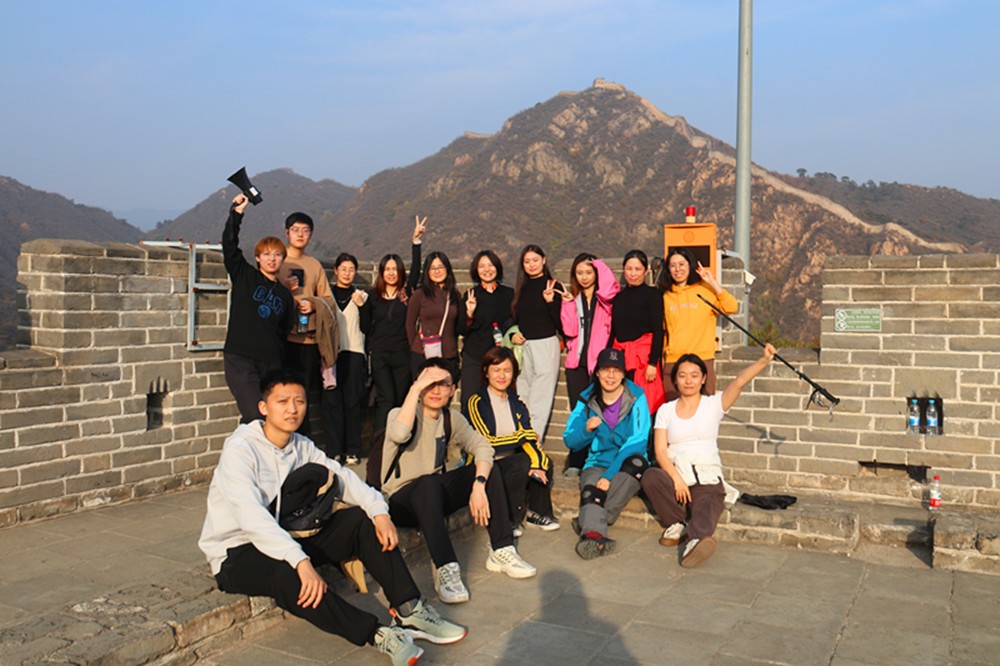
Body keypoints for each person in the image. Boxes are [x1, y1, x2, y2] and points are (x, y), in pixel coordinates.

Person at [198, 368, 466, 665]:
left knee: (360, 522)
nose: (292, 409)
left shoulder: (300, 445)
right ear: (263, 407)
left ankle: (409, 610)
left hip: (286, 535)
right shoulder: (241, 450)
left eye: (299, 401)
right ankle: (378, 634)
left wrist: (379, 512)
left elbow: (343, 478)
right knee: (287, 576)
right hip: (237, 551)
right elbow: (250, 517)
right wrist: (300, 561)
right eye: (282, 402)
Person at [379, 358, 536, 604]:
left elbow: (482, 447)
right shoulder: (399, 414)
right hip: (400, 501)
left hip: (433, 495)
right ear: (419, 386)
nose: (436, 390)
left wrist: (479, 485)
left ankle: (501, 549)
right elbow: (400, 433)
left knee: (489, 468)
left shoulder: (451, 418)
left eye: (443, 384)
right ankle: (446, 568)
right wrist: (415, 389)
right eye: (429, 383)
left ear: (452, 390)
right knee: (427, 484)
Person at [641, 344, 776, 567]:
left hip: (706, 475)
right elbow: (660, 451)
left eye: (694, 375)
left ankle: (696, 540)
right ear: (675, 380)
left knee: (707, 504)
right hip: (677, 472)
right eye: (682, 376)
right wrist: (677, 479)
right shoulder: (666, 410)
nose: (688, 381)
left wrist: (763, 360)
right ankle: (677, 524)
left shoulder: (713, 404)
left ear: (703, 379)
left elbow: (739, 381)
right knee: (651, 477)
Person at [563, 348, 651, 560]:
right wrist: (586, 430)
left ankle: (589, 516)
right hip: (596, 463)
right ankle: (593, 536)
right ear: (597, 372)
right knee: (590, 490)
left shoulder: (637, 398)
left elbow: (637, 442)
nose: (611, 376)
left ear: (623, 374)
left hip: (626, 466)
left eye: (616, 370)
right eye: (605, 370)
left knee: (638, 464)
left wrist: (609, 475)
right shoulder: (586, 400)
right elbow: (570, 440)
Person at [463, 346, 560, 535]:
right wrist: (522, 437)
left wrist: (538, 463)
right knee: (521, 462)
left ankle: (535, 513)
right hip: (484, 464)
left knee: (543, 461)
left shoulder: (518, 404)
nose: (502, 375)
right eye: (496, 370)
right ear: (486, 372)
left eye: (507, 370)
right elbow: (486, 442)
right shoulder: (476, 402)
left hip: (511, 460)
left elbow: (529, 439)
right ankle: (508, 519)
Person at [222, 193, 295, 423]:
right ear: (257, 258)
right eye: (266, 254)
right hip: (241, 357)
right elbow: (229, 246)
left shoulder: (285, 295)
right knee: (254, 415)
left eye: (277, 255)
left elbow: (284, 331)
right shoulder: (245, 275)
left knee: (271, 418)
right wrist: (236, 213)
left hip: (271, 363)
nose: (272, 259)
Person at [277, 211, 337, 453]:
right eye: (295, 230)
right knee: (284, 396)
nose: (300, 235)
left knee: (304, 398)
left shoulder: (314, 265)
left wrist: (313, 304)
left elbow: (328, 301)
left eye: (305, 230)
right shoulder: (279, 261)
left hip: (310, 342)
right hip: (284, 341)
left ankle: (303, 449)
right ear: (287, 233)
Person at [559, 253, 620, 476]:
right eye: (579, 273)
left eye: (589, 272)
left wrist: (598, 264)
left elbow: (610, 288)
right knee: (579, 413)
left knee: (601, 412)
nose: (584, 277)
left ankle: (597, 460)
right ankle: (576, 461)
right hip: (577, 364)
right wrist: (567, 304)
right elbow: (569, 331)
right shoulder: (573, 299)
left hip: (599, 365)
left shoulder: (606, 299)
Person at [658, 247, 738, 401]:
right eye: (673, 265)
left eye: (682, 264)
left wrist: (712, 282)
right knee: (674, 409)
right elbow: (665, 331)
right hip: (673, 361)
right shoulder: (666, 296)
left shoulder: (704, 291)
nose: (678, 269)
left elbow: (731, 307)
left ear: (690, 265)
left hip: (702, 359)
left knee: (704, 409)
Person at [368, 216, 425, 431]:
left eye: (395, 269)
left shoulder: (406, 292)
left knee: (402, 399)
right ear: (382, 272)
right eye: (388, 269)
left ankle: (401, 440)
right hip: (380, 354)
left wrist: (416, 241)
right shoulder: (373, 296)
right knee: (385, 399)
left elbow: (417, 269)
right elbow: (366, 325)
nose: (391, 273)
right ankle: (381, 441)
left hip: (402, 353)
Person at [510, 245, 564, 444]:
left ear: (544, 260)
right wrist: (513, 334)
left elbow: (561, 324)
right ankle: (520, 440)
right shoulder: (522, 289)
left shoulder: (553, 286)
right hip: (524, 347)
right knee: (522, 394)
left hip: (546, 344)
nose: (531, 265)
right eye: (527, 261)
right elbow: (514, 319)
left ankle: (533, 443)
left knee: (541, 398)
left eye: (535, 260)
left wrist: (551, 302)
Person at [611, 249, 666, 413]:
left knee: (645, 406)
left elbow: (658, 330)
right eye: (629, 269)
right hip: (623, 360)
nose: (633, 273)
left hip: (644, 360)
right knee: (621, 408)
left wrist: (652, 362)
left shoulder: (652, 295)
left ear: (646, 271)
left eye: (637, 269)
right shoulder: (619, 298)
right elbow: (614, 331)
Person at [330, 253, 372, 466]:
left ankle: (353, 450)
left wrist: (362, 306)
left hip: (354, 354)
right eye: (343, 269)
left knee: (352, 404)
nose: (347, 273)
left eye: (351, 269)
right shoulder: (327, 294)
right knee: (333, 403)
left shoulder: (362, 296)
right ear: (336, 271)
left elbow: (367, 327)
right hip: (332, 355)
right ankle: (335, 450)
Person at [457, 250, 514, 401]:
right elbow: (461, 329)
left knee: (498, 401)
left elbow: (514, 323)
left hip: (499, 358)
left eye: (490, 265)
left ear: (497, 267)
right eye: (482, 266)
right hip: (474, 356)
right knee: (470, 400)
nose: (487, 270)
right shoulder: (471, 295)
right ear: (476, 270)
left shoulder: (508, 294)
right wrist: (469, 313)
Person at [405, 252, 461, 381]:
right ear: (427, 272)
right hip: (423, 353)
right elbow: (410, 323)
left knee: (445, 391)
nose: (437, 271)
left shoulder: (454, 295)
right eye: (432, 268)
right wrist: (416, 345)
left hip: (448, 354)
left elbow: (458, 326)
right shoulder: (420, 294)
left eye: (440, 267)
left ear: (447, 269)